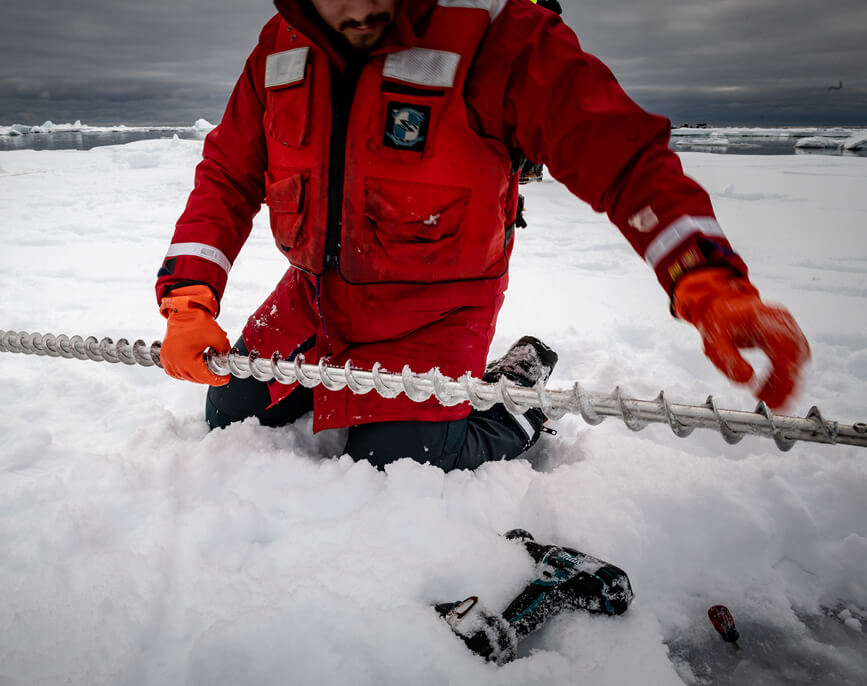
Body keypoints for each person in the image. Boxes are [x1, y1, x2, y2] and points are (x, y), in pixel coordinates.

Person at [156, 0, 810, 473]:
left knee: (394, 461)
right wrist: (189, 300)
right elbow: (227, 177)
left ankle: (517, 397)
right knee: (231, 417)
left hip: (434, 306)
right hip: (313, 296)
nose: (358, 7)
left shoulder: (501, 34)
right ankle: (339, 382)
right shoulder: (279, 43)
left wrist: (704, 279)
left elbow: (623, 159)